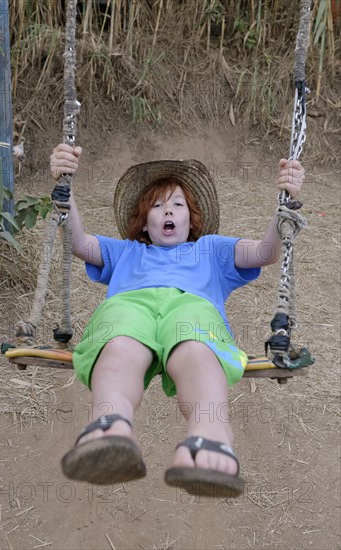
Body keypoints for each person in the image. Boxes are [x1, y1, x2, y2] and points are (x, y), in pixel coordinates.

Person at [50, 144, 305, 498]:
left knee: (196, 347)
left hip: (192, 308)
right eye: (156, 205)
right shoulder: (126, 251)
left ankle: (211, 434)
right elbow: (77, 242)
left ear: (191, 218)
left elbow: (267, 252)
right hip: (130, 307)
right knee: (119, 343)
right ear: (143, 222)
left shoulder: (211, 249)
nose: (167, 210)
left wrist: (285, 204)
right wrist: (65, 187)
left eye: (177, 204)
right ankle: (110, 424)